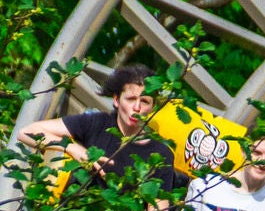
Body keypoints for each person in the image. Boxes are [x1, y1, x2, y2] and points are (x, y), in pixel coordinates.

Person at [18, 65, 173, 182]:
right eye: (131, 99)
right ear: (117, 100)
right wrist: (72, 148)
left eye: (145, 101)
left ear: (153, 107)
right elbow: (26, 132)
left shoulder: (160, 154)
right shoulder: (96, 123)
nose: (137, 107)